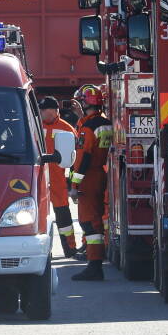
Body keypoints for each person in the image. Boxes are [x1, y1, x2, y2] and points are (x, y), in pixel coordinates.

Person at [70, 85, 113, 281]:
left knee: (89, 222)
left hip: (88, 177)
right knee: (96, 220)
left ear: (86, 102)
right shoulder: (105, 123)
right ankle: (95, 263)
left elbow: (83, 157)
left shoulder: (88, 127)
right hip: (100, 173)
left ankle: (94, 266)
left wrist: (74, 184)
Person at [39, 97, 79, 258]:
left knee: (63, 217)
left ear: (55, 111)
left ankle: (70, 248)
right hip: (39, 177)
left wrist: (73, 184)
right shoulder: (35, 125)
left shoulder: (66, 128)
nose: (42, 113)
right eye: (41, 110)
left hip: (58, 179)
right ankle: (39, 251)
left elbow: (75, 158)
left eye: (45, 110)